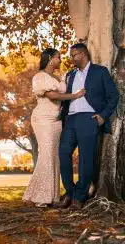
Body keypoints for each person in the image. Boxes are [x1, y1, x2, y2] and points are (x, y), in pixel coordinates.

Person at [56, 43, 119, 210]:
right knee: (63, 153)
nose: (71, 59)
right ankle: (70, 191)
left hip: (89, 118)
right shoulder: (70, 75)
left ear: (83, 54)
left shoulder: (100, 71)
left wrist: (103, 116)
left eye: (73, 55)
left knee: (85, 158)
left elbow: (113, 96)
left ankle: (80, 196)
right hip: (70, 120)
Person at [22, 48, 86, 207]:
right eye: (58, 57)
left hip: (57, 120)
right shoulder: (39, 77)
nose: (61, 60)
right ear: (50, 58)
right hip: (43, 118)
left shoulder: (59, 77)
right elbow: (53, 96)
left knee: (54, 156)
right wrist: (75, 96)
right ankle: (41, 197)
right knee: (47, 154)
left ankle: (49, 196)